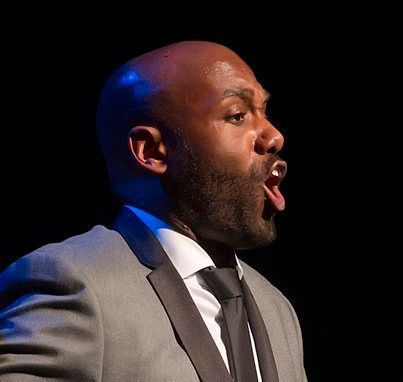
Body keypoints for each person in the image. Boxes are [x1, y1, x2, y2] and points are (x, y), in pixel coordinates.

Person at [0, 41, 307, 381]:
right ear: (152, 151)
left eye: (264, 111)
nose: (274, 136)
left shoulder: (277, 310)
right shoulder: (74, 283)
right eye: (237, 115)